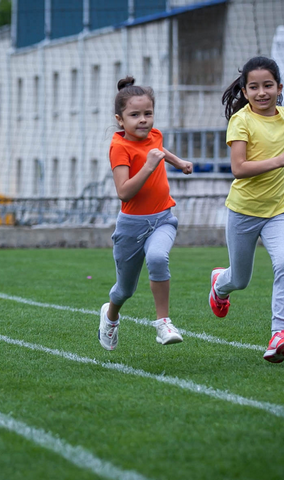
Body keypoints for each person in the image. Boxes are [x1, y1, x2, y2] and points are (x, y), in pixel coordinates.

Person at [210, 56, 284, 363]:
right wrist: (281, 161)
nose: (262, 92)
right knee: (240, 280)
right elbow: (239, 168)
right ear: (244, 92)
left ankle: (279, 333)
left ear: (279, 87)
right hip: (243, 211)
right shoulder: (241, 121)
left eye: (268, 86)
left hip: (278, 210)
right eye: (254, 87)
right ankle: (219, 285)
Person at [98, 76, 194, 351]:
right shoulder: (119, 148)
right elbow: (124, 192)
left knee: (158, 257)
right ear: (120, 119)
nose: (143, 120)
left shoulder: (155, 135)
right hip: (131, 226)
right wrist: (149, 167)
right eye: (135, 115)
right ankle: (110, 316)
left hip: (163, 217)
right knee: (124, 290)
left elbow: (158, 149)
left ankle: (163, 323)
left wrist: (178, 162)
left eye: (148, 114)